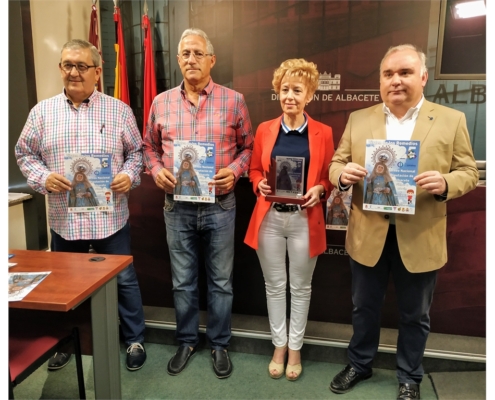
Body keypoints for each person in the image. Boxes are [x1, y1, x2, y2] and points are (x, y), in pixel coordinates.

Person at [328, 44, 478, 400]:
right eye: (388, 74)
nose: (395, 80)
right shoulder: (359, 119)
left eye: (405, 73)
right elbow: (336, 163)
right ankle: (360, 363)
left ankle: (410, 376)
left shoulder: (450, 119)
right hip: (369, 233)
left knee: (415, 314)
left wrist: (446, 184)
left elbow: (469, 172)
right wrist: (343, 175)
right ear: (380, 80)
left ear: (423, 77)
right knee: (363, 308)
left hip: (420, 234)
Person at [15, 39, 147, 372]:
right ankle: (65, 340)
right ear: (61, 68)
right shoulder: (41, 113)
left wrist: (128, 176)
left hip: (110, 217)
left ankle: (134, 339)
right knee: (66, 285)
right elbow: (24, 154)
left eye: (82, 66)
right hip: (64, 219)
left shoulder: (118, 111)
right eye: (67, 65)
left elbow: (137, 153)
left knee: (124, 280)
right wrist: (43, 177)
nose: (74, 72)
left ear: (98, 72)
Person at [143, 28, 254, 379]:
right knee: (182, 280)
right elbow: (148, 147)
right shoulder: (160, 102)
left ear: (211, 60)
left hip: (220, 205)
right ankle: (187, 340)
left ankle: (220, 344)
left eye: (197, 53)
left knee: (221, 280)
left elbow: (248, 147)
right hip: (176, 206)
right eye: (185, 54)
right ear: (178, 60)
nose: (191, 59)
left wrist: (235, 171)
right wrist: (156, 169)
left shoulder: (234, 100)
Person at [244, 58, 334, 381]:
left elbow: (329, 177)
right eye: (284, 89)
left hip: (303, 219)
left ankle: (295, 348)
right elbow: (254, 169)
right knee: (274, 286)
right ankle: (278, 345)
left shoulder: (324, 133)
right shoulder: (265, 129)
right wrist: (258, 184)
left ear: (309, 94)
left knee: (301, 287)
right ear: (277, 93)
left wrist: (321, 190)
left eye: (297, 89)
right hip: (269, 218)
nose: (290, 96)